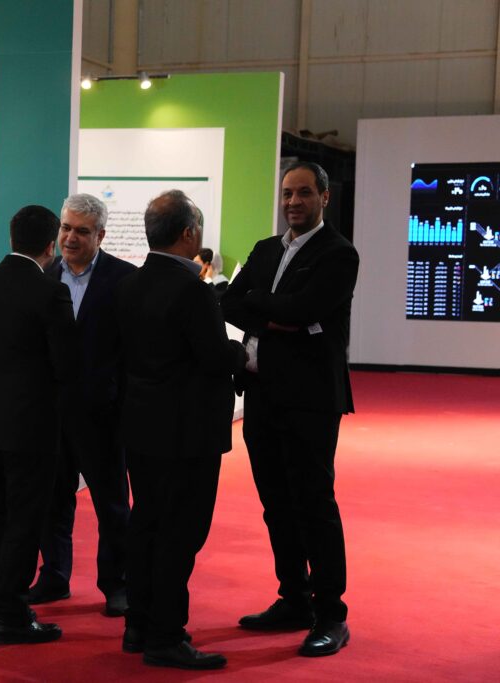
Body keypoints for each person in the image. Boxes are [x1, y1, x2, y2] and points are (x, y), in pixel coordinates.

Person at [221, 161, 359, 657]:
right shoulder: (265, 249)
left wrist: (266, 307)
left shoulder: (338, 254)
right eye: (287, 193)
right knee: (276, 504)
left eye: (303, 193)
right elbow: (229, 304)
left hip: (310, 400)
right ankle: (294, 599)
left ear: (324, 196)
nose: (293, 202)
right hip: (261, 395)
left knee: (314, 505)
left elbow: (306, 310)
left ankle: (331, 613)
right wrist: (279, 314)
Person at [116, 190, 244, 670]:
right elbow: (214, 357)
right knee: (180, 533)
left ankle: (139, 625)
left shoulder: (128, 285)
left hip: (141, 426)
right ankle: (166, 636)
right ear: (189, 233)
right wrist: (242, 354)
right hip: (187, 432)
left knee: (147, 524)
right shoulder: (193, 290)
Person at [0, 205, 76, 645]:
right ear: (50, 246)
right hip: (32, 424)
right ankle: (10, 614)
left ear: (11, 238)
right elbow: (66, 364)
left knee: (2, 514)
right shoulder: (51, 292)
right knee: (25, 518)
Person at [31, 193, 135, 617]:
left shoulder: (125, 279)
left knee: (112, 505)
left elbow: (131, 351)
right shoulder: (43, 276)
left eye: (81, 231)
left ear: (101, 235)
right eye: (65, 228)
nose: (70, 238)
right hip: (51, 414)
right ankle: (54, 576)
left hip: (103, 416)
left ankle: (117, 584)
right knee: (52, 501)